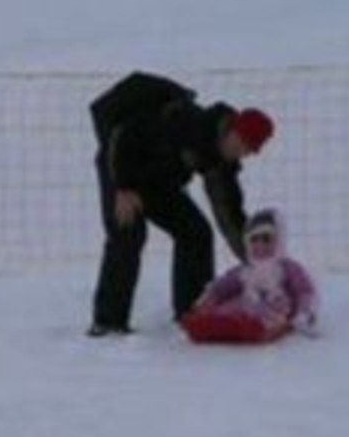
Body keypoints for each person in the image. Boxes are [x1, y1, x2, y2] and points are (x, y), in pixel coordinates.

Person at [88, 72, 275, 337]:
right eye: (242, 143)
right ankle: (108, 323)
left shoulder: (222, 161)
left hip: (159, 179)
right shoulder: (188, 123)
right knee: (128, 232)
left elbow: (229, 214)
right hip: (120, 164)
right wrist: (124, 186)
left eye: (249, 151)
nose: (242, 152)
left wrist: (256, 261)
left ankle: (193, 311)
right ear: (232, 129)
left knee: (196, 232)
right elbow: (124, 136)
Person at [181, 208, 318, 344]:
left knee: (266, 313)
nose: (260, 244)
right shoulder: (245, 269)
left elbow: (304, 291)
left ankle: (248, 326)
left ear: (279, 240)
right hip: (245, 303)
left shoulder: (288, 268)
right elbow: (224, 286)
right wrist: (208, 300)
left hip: (275, 308)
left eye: (266, 239)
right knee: (230, 307)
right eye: (254, 239)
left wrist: (304, 314)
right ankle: (211, 323)